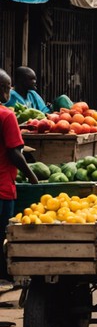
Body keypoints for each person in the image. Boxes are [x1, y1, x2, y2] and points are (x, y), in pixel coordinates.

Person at [0, 68, 38, 284]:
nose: (9, 91)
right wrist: (33, 177)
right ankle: (4, 277)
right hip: (3, 187)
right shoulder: (6, 115)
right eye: (7, 87)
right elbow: (15, 153)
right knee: (3, 236)